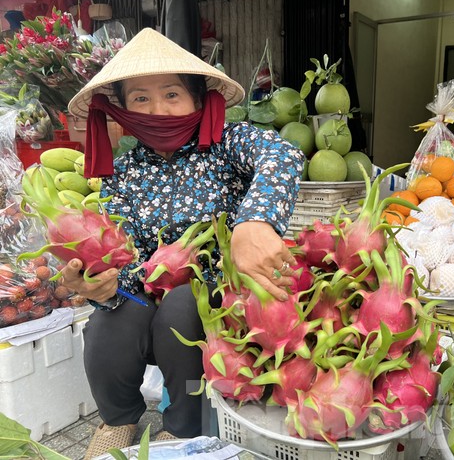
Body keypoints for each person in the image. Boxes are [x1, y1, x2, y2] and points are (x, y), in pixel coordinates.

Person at [61, 28, 305, 459]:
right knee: (106, 325)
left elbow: (283, 156)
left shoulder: (230, 143)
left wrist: (255, 222)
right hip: (149, 287)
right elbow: (126, 251)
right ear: (122, 111)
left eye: (172, 94)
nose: (158, 109)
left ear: (197, 97)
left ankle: (183, 430)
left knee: (180, 307)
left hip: (224, 291)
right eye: (140, 99)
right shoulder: (123, 172)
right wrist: (102, 284)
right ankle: (117, 422)